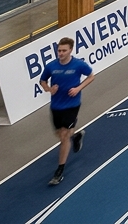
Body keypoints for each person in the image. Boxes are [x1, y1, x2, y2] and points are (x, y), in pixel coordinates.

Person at [39, 37, 95, 185]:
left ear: (71, 50)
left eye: (64, 50)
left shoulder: (78, 65)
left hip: (72, 105)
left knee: (63, 136)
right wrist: (49, 89)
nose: (61, 53)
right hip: (56, 106)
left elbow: (91, 76)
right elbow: (42, 81)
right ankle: (76, 136)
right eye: (59, 50)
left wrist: (78, 88)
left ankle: (59, 170)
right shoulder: (51, 66)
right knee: (60, 134)